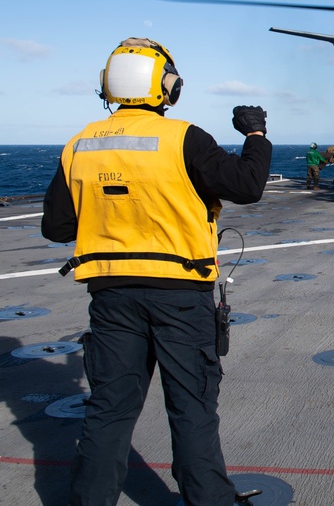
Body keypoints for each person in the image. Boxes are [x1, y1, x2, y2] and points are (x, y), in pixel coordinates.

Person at [41, 37, 272, 506]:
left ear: (108, 86)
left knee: (108, 409)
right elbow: (248, 186)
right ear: (169, 87)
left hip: (110, 297)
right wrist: (255, 136)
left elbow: (57, 227)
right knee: (192, 407)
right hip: (181, 295)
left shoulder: (78, 145)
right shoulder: (184, 138)